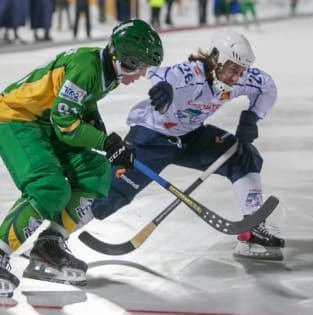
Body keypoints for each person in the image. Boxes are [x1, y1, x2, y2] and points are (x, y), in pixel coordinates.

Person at [0, 18, 163, 298]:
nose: (142, 74)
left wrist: (106, 139)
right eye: (141, 66)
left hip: (44, 122)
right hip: (17, 118)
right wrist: (105, 141)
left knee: (96, 171)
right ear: (127, 60)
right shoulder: (87, 67)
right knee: (49, 187)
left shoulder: (107, 71)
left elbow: (80, 106)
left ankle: (49, 246)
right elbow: (64, 122)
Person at [91, 29, 284, 261]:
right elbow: (159, 74)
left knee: (244, 157)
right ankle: (55, 236)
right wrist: (165, 90)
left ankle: (254, 227)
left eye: (241, 71)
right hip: (151, 138)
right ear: (216, 60)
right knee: (109, 195)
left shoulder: (239, 78)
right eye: (233, 69)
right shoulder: (190, 75)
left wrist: (252, 117)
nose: (237, 77)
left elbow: (266, 86)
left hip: (191, 137)